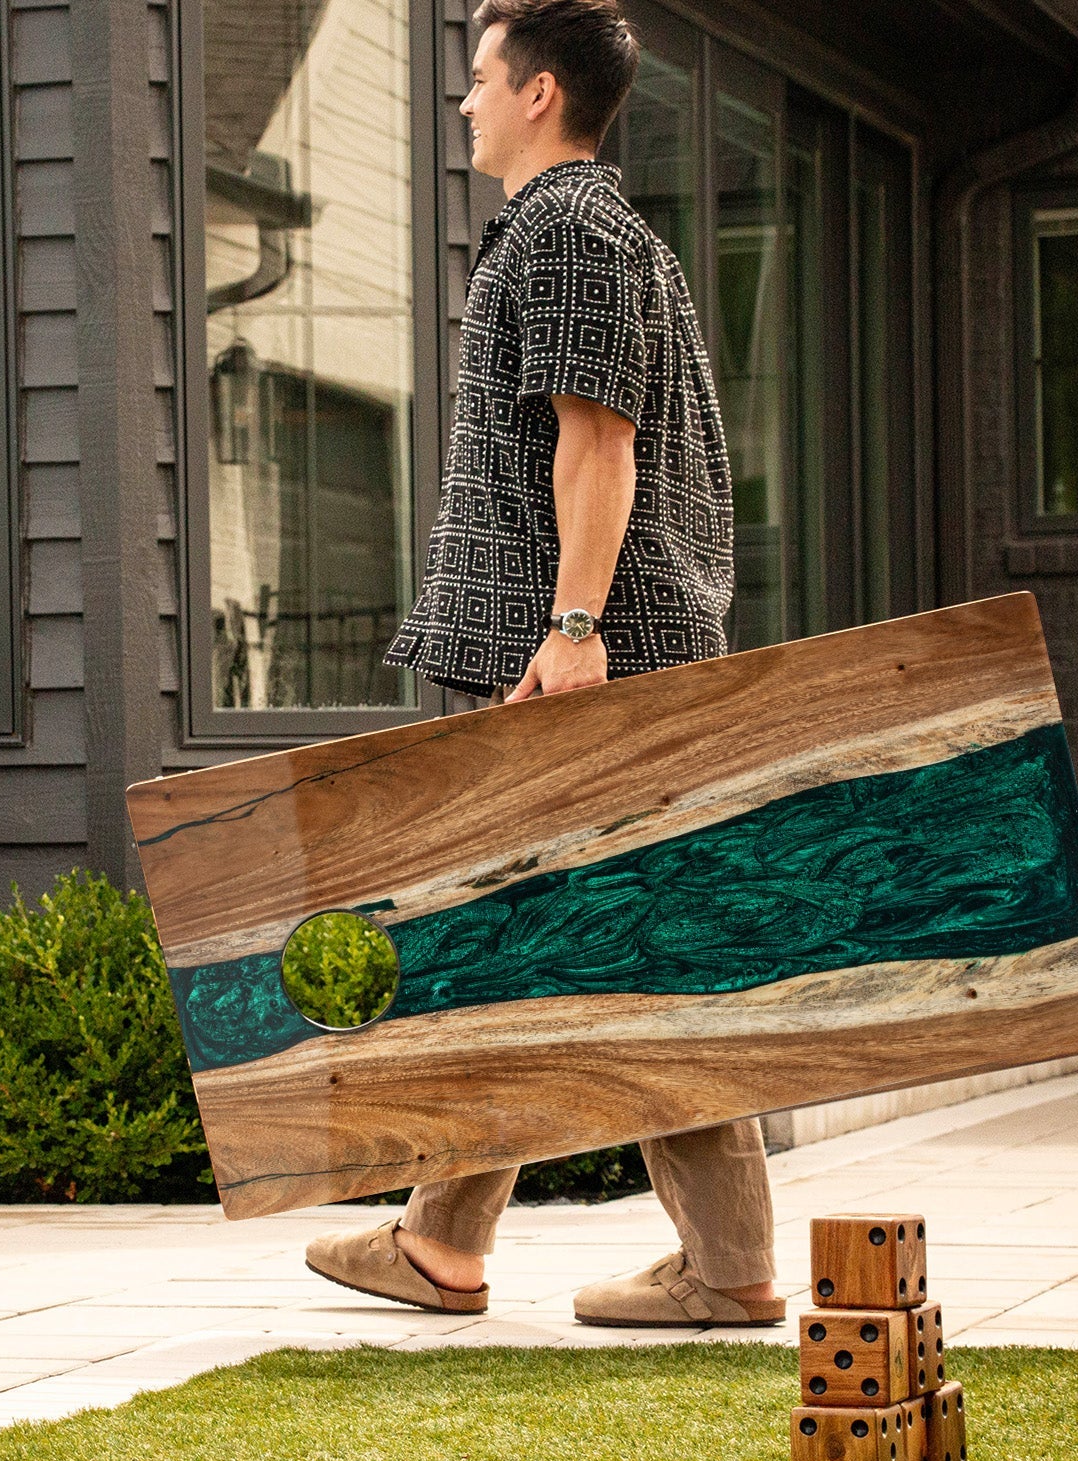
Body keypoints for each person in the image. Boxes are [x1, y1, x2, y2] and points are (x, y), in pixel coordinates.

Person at [304, 0, 781, 1329]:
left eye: (475, 79)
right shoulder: (578, 234)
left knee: (629, 951)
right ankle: (444, 1240)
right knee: (522, 938)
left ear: (540, 93)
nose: (460, 102)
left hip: (567, 656)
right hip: (564, 647)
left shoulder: (571, 233)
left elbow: (599, 442)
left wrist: (575, 633)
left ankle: (724, 1265)